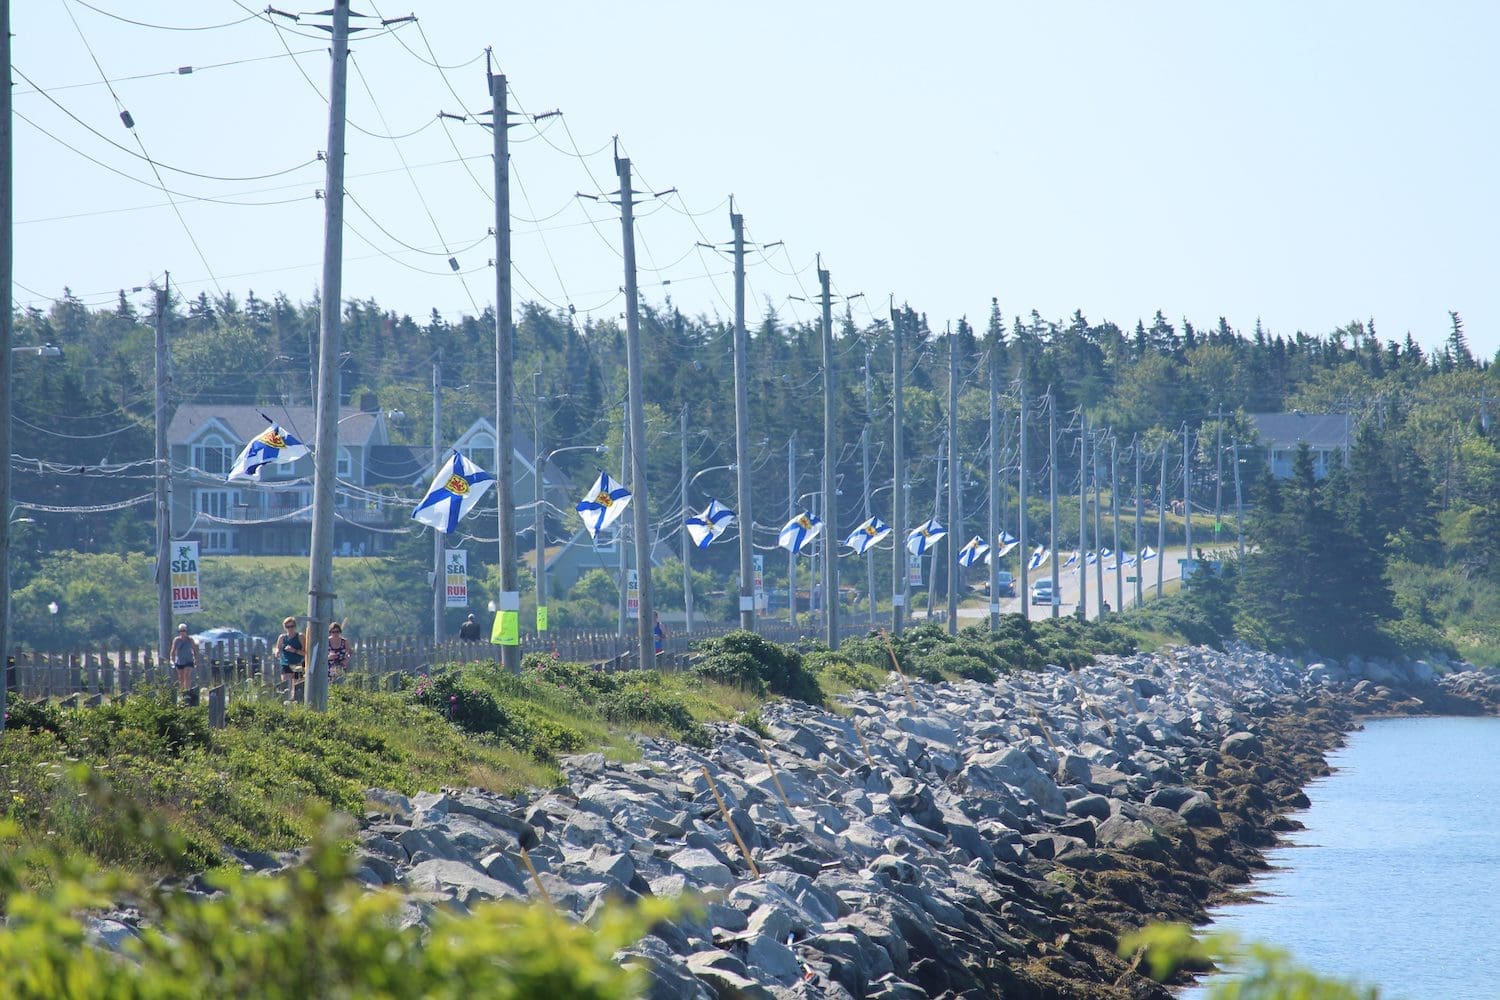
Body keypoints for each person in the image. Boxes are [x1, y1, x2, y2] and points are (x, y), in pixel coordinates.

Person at [275, 616, 305, 690]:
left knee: (297, 686)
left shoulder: (300, 636)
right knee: (286, 685)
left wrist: (294, 650)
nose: (290, 629)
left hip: (298, 664)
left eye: (292, 626)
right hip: (286, 663)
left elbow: (306, 653)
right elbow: (277, 648)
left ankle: (296, 700)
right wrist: (277, 652)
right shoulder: (282, 637)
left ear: (295, 626)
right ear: (285, 627)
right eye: (287, 627)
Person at [170, 623, 197, 693]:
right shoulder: (176, 640)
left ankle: (187, 691)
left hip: (189, 660)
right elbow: (173, 650)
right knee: (181, 677)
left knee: (187, 675)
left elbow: (195, 650)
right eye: (181, 631)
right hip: (180, 661)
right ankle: (182, 691)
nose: (182, 632)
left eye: (184, 630)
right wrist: (172, 659)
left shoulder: (190, 640)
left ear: (186, 631)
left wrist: (196, 659)